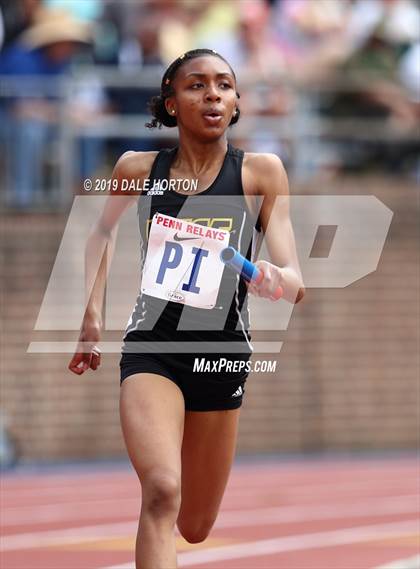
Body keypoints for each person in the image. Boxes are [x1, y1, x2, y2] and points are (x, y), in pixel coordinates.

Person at [68, 48, 305, 569]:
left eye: (224, 84)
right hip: (153, 350)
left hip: (221, 357)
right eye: (196, 85)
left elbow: (294, 280)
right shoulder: (137, 168)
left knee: (195, 526)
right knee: (161, 492)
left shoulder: (261, 173)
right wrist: (91, 314)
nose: (212, 94)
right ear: (171, 103)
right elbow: (101, 232)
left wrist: (275, 278)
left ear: (237, 101)